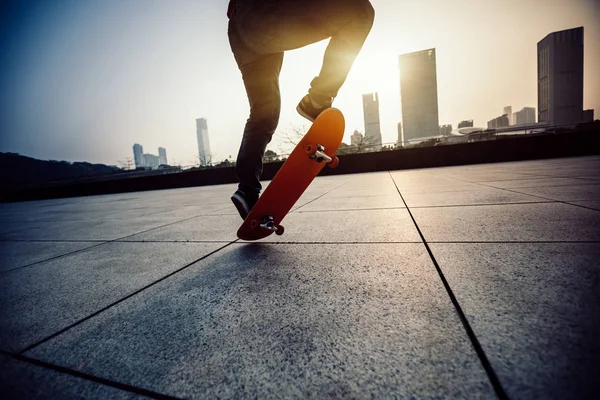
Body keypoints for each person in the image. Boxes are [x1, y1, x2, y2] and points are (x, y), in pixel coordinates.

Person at [227, 0, 374, 219]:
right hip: (261, 16)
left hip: (239, 31)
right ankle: (318, 99)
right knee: (360, 11)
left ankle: (247, 190)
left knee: (264, 113)